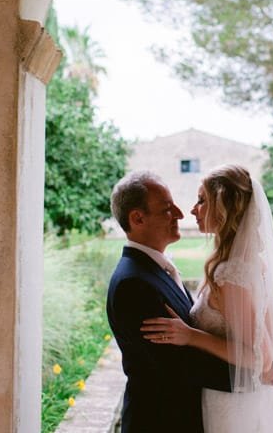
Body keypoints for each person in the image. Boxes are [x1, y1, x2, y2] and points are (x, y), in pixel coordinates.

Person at [141, 165, 273, 433]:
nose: (192, 210)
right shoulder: (249, 263)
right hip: (241, 397)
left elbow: (263, 358)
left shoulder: (230, 275)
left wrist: (191, 336)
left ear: (223, 207)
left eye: (202, 200)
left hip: (231, 404)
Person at [106, 171, 233, 433]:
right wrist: (250, 376)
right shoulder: (134, 284)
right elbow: (181, 366)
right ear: (137, 218)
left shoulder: (154, 269)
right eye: (167, 208)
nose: (179, 213)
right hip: (160, 421)